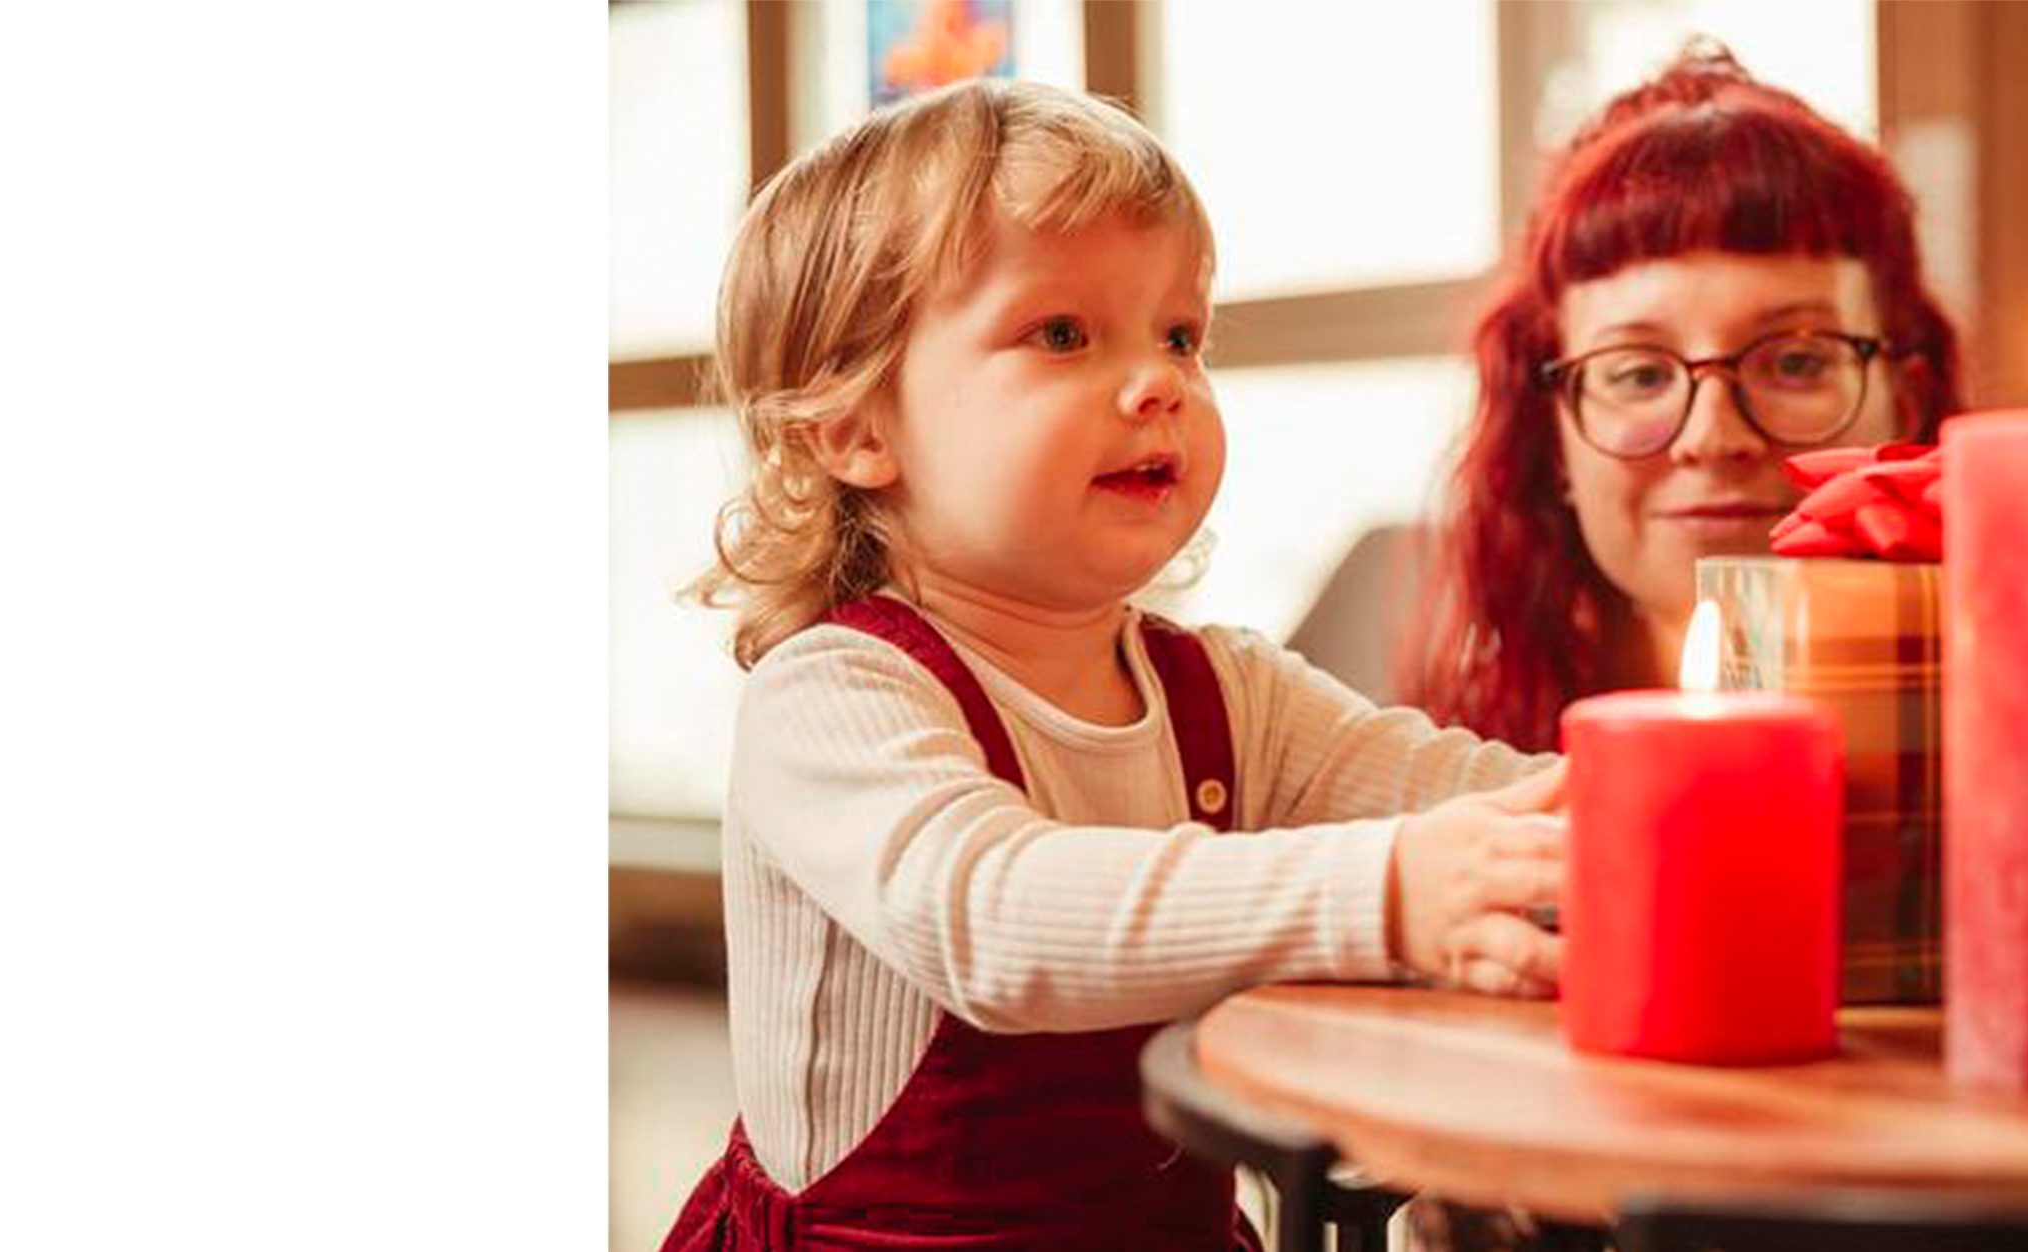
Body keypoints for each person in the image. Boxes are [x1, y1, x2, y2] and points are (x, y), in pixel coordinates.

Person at [1396, 45, 2028, 1250]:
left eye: (1797, 360)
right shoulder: (1466, 756)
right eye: (1637, 371)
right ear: (1548, 429)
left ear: (1906, 392)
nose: (1712, 433)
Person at [659, 77, 1566, 1251]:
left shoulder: (1227, 691)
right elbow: (994, 918)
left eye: (1180, 333)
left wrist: (1638, 805)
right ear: (853, 426)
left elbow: (1455, 787)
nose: (1160, 383)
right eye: (1062, 334)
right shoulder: (831, 696)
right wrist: (1388, 890)